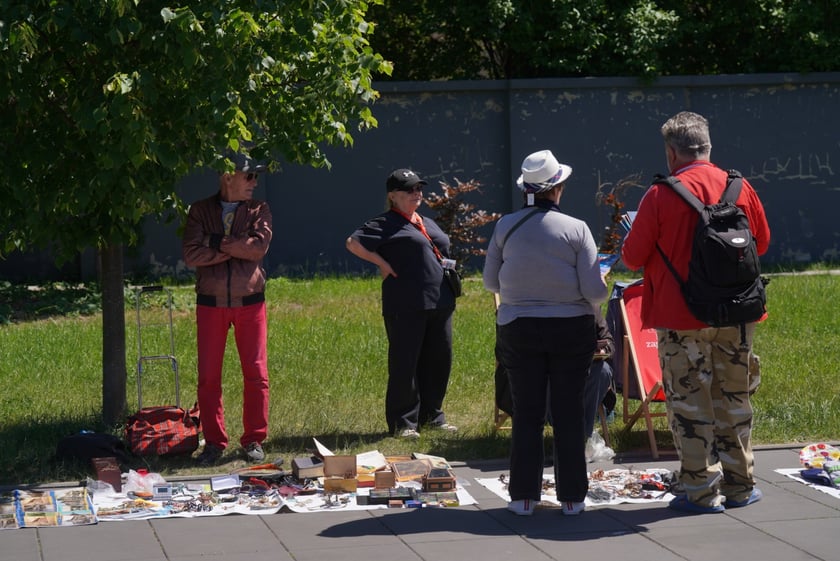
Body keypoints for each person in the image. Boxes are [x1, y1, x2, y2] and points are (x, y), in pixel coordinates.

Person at [621, 111, 771, 514]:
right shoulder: (740, 186)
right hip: (737, 316)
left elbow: (633, 257)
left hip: (680, 315)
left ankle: (701, 492)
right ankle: (741, 486)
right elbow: (763, 243)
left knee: (690, 405)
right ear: (707, 147)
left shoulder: (660, 194)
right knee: (735, 399)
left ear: (672, 153)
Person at [483, 149, 608, 516]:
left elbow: (492, 282)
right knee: (569, 412)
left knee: (527, 413)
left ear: (528, 189)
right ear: (558, 188)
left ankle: (523, 497)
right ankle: (572, 499)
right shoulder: (577, 228)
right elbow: (594, 293)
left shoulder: (506, 226)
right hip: (571, 331)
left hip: (519, 329)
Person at [345, 168, 459, 439]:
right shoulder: (385, 223)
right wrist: (383, 264)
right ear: (393, 196)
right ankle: (403, 423)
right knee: (405, 363)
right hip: (406, 303)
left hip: (440, 301)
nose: (416, 193)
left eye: (419, 188)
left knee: (438, 360)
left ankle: (432, 417)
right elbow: (353, 243)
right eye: (409, 190)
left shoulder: (426, 221)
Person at [182, 153, 273, 466]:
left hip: (251, 303)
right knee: (208, 377)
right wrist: (236, 246)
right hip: (211, 304)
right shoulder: (199, 210)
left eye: (255, 177)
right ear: (227, 176)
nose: (254, 182)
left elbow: (257, 248)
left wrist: (216, 241)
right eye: (248, 176)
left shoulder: (260, 209)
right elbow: (192, 254)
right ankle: (214, 442)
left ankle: (254, 439)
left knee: (257, 373)